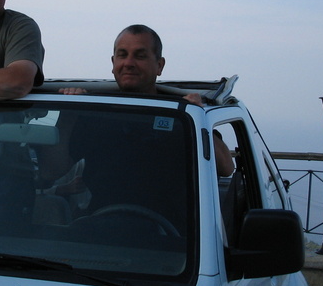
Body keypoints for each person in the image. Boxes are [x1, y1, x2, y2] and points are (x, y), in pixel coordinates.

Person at [61, 24, 235, 177]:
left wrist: (197, 115)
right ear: (113, 63)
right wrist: (68, 114)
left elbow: (226, 167)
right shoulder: (95, 113)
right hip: (101, 206)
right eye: (122, 55)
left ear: (160, 65)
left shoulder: (180, 114)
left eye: (140, 56)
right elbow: (54, 170)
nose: (129, 63)